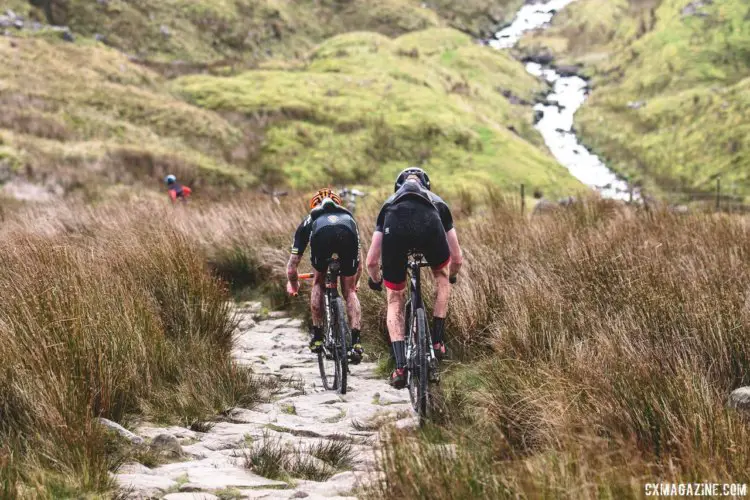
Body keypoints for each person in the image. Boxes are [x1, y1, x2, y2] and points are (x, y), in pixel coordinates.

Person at [365, 167, 463, 389]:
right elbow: (457, 257)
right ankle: (437, 342)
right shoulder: (438, 203)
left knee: (395, 298)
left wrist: (375, 280)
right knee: (441, 278)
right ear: (426, 185)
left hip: (394, 229)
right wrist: (451, 276)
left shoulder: (389, 205)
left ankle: (400, 367)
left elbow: (371, 260)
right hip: (431, 225)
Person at [286, 188, 364, 363]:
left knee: (318, 284)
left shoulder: (310, 219)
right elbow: (360, 264)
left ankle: (318, 337)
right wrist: (354, 285)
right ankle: (356, 342)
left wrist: (294, 285)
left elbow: (292, 267)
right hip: (347, 233)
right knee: (349, 292)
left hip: (322, 237)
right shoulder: (349, 217)